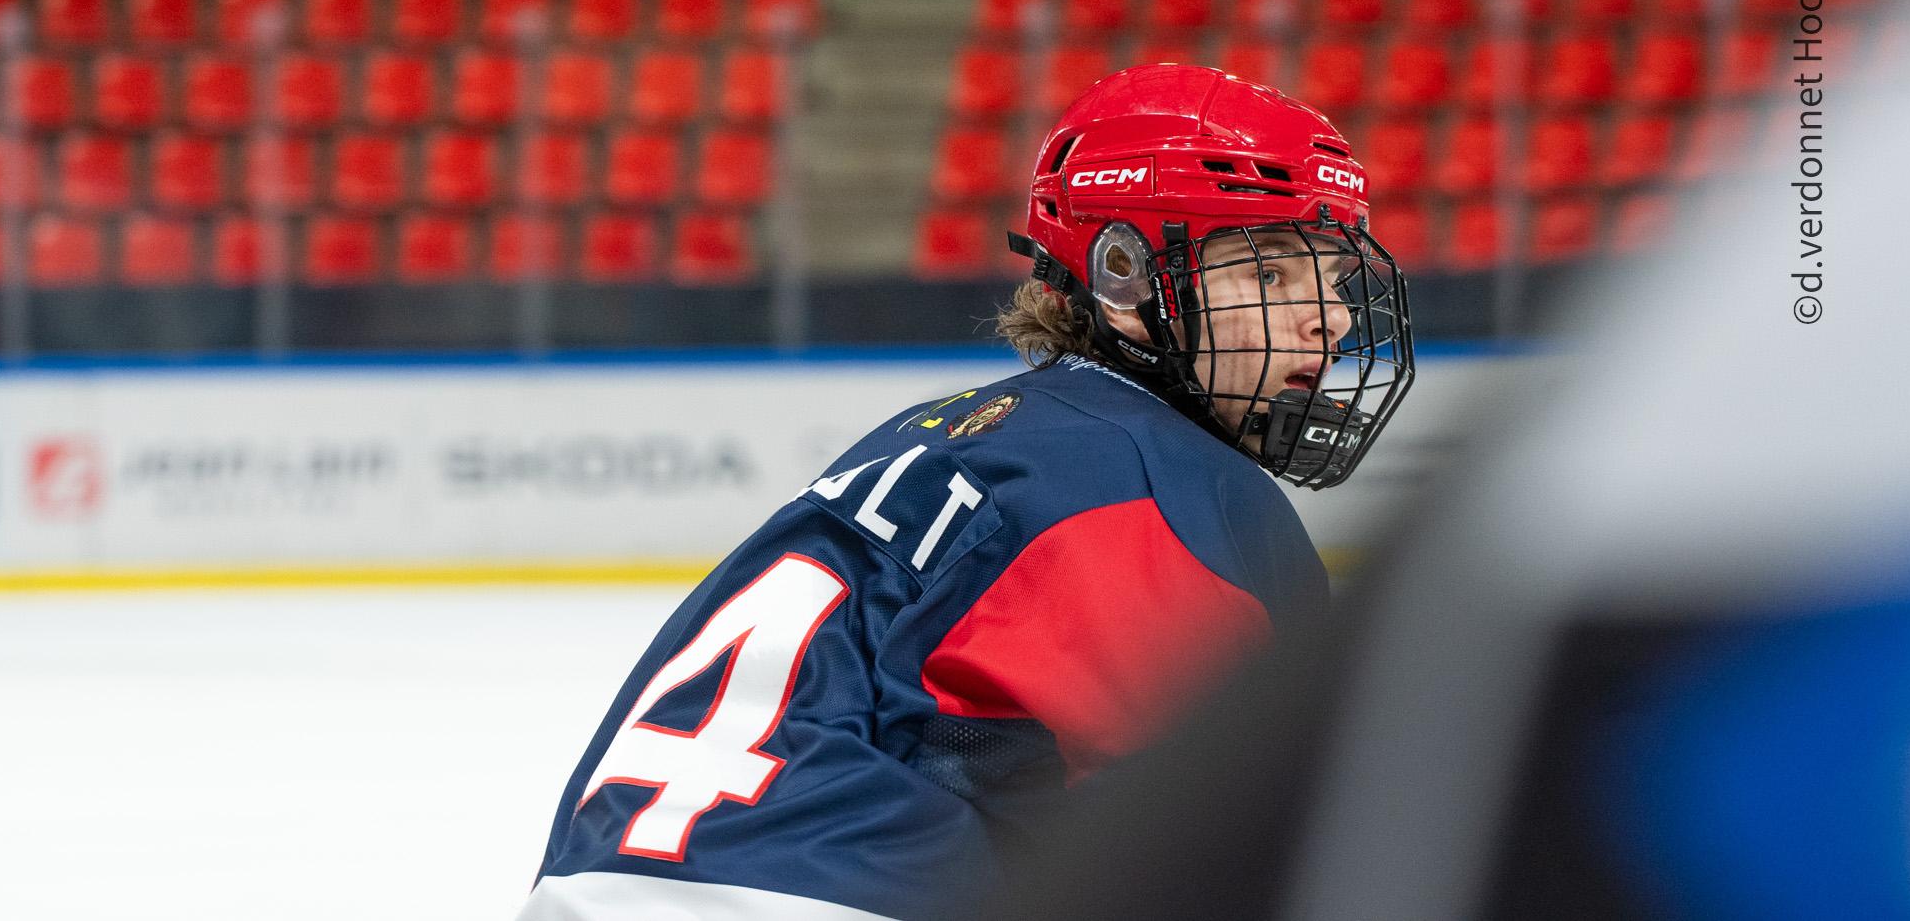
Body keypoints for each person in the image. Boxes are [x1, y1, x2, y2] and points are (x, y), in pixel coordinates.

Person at [516, 64, 1418, 921]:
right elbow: (1193, 860)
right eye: (1268, 271)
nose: (1330, 319)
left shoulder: (955, 434)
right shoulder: (1164, 492)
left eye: (1334, 279)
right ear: (1125, 281)